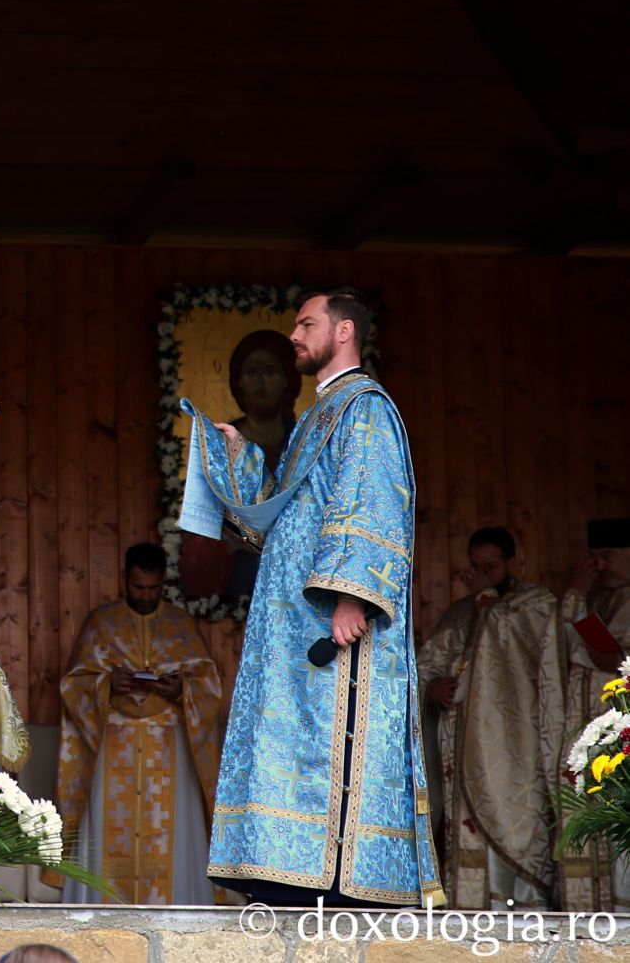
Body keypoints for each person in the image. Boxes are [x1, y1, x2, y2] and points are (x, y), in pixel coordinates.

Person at [178, 286, 442, 907]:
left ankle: (336, 880)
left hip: (330, 617)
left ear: (344, 332)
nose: (294, 336)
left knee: (326, 741)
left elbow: (370, 497)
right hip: (289, 617)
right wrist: (238, 453)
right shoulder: (318, 416)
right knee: (286, 736)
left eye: (306, 324)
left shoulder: (365, 407)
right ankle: (280, 865)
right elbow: (279, 513)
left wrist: (355, 596)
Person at [53, 542, 222, 904]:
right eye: (138, 587)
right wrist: (106, 684)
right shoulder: (101, 623)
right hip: (113, 746)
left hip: (169, 749)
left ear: (163, 583)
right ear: (124, 579)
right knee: (110, 833)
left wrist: (180, 691)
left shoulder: (180, 625)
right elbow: (73, 684)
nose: (146, 596)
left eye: (153, 588)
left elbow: (209, 686)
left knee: (169, 834)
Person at [417, 526, 563, 909]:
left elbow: (534, 663)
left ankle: (526, 904)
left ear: (513, 562)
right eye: (475, 567)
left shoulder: (538, 605)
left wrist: (486, 605)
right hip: (463, 748)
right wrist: (433, 689)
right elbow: (426, 665)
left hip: (517, 747)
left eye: (492, 567)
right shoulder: (460, 611)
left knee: (516, 825)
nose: (482, 575)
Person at [179, 330, 301, 607]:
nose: (260, 382)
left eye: (270, 371)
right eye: (251, 372)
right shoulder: (220, 445)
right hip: (236, 574)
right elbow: (203, 520)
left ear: (287, 381)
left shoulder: (301, 445)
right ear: (238, 382)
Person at [557, 516, 630, 910]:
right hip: (585, 729)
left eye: (609, 556)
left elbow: (615, 658)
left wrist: (576, 602)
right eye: (595, 557)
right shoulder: (600, 597)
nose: (600, 565)